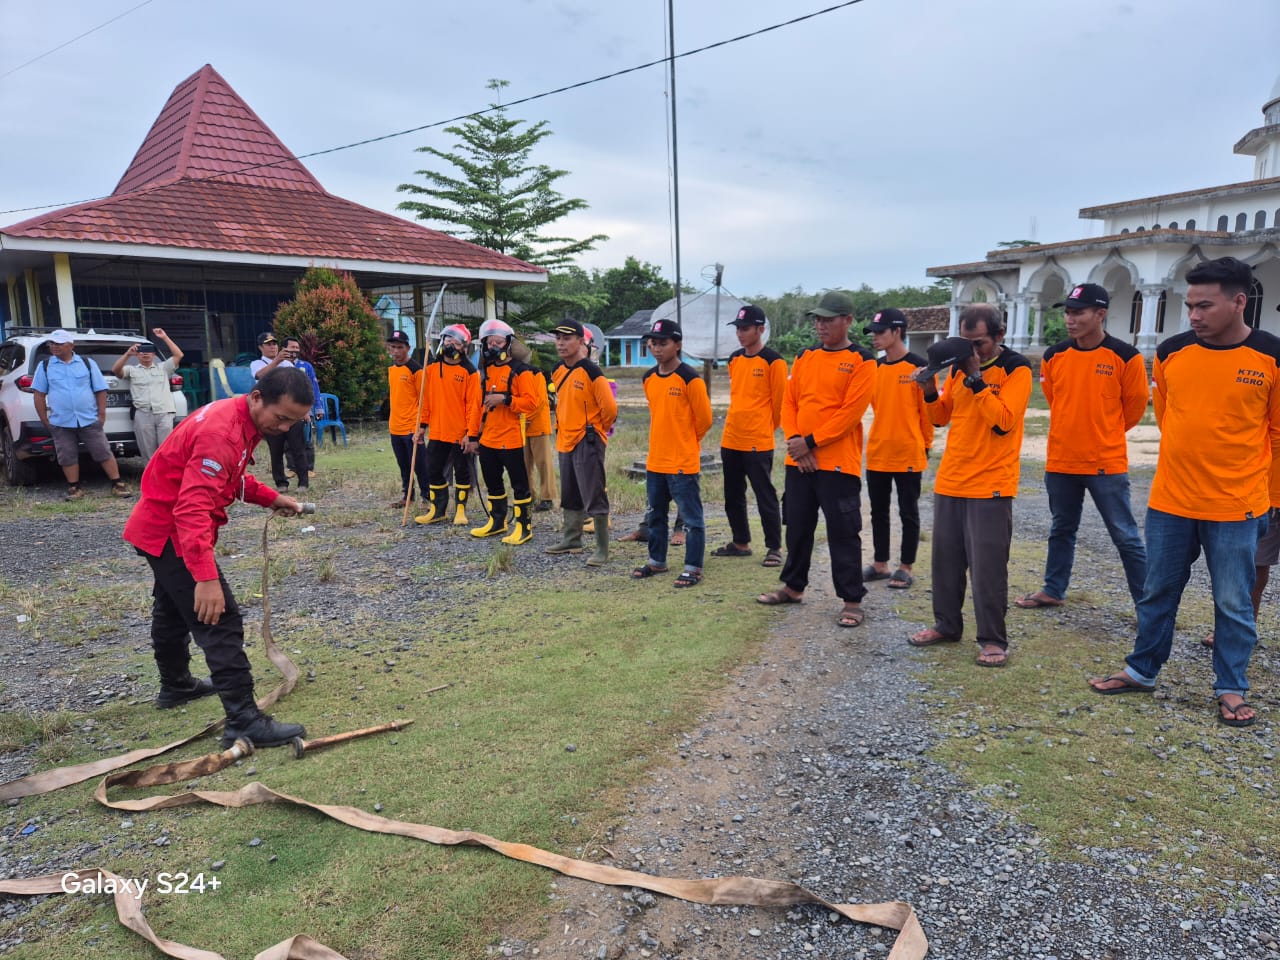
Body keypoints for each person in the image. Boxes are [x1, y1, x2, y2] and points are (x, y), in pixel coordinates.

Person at [1090, 257, 1280, 728]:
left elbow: (1276, 435)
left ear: (1239, 302)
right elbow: (1171, 418)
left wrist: (1271, 499)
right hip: (1171, 502)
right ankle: (1142, 669)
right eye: (1189, 304)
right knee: (1158, 591)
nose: (1193, 315)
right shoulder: (1172, 353)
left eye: (1204, 305)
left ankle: (1231, 687)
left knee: (1233, 602)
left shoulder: (1272, 357)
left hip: (1237, 506)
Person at [122, 367, 310, 747]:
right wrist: (205, 578)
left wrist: (271, 497)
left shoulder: (237, 417)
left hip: (156, 528)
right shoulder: (220, 432)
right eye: (282, 417)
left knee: (172, 610)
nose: (286, 427)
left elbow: (231, 475)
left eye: (295, 421)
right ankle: (243, 720)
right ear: (257, 397)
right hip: (170, 532)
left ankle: (176, 686)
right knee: (219, 618)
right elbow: (191, 509)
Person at [909, 304, 1032, 666]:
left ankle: (993, 639)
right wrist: (930, 390)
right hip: (952, 478)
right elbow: (941, 417)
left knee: (988, 568)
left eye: (979, 343)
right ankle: (946, 625)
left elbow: (1004, 422)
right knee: (945, 563)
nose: (972, 352)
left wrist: (977, 379)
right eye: (967, 343)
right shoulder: (958, 368)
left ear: (999, 335)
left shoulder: (1016, 369)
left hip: (991, 483)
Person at [1015, 283, 1148, 610]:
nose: (1070, 320)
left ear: (1100, 314)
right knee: (1061, 529)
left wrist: (1103, 432)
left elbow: (1134, 408)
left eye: (1079, 313)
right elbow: (1055, 400)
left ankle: (1149, 607)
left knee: (1126, 537)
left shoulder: (1126, 357)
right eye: (1068, 312)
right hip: (1061, 461)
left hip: (1106, 464)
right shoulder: (1054, 356)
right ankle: (1053, 589)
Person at [755, 291, 875, 627]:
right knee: (797, 529)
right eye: (817, 319)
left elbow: (850, 413)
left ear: (848, 320)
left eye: (828, 319)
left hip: (837, 464)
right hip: (799, 462)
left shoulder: (863, 361)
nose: (820, 325)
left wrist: (810, 443)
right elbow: (789, 402)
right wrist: (795, 442)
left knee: (843, 532)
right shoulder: (805, 356)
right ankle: (793, 587)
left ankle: (852, 600)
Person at [632, 319, 713, 587]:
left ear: (677, 345)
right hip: (656, 461)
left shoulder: (690, 379)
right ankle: (657, 561)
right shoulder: (649, 378)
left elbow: (704, 420)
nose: (656, 348)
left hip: (682, 462)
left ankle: (693, 567)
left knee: (691, 518)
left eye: (663, 343)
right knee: (655, 515)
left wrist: (686, 442)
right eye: (653, 343)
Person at [712, 304, 786, 568]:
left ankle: (774, 547)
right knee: (733, 494)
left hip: (758, 440)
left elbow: (779, 405)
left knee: (764, 494)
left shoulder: (773, 361)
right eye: (738, 329)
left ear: (760, 329)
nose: (740, 334)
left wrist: (764, 427)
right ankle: (740, 542)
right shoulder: (734, 359)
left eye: (745, 329)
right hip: (731, 437)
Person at [863, 308, 933, 589]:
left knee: (908, 512)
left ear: (898, 332)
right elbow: (876, 407)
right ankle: (880, 563)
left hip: (908, 451)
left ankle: (906, 566)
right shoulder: (874, 369)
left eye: (881, 332)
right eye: (873, 333)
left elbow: (926, 412)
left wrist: (925, 445)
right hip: (879, 451)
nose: (875, 338)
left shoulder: (919, 368)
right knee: (878, 511)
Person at [545, 319, 618, 566]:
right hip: (564, 439)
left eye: (567, 338)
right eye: (558, 339)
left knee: (594, 492)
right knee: (570, 492)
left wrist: (596, 431)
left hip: (587, 440)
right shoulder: (558, 370)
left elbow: (610, 409)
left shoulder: (592, 371)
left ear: (580, 341)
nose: (561, 343)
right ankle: (571, 539)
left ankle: (601, 548)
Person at [31, 328, 131, 501]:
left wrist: (101, 414)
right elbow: (39, 394)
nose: (54, 347)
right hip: (61, 421)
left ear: (70, 345)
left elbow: (100, 389)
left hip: (88, 418)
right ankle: (74, 487)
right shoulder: (45, 366)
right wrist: (44, 420)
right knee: (67, 455)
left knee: (103, 452)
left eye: (59, 343)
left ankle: (117, 483)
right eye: (52, 343)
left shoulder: (87, 363)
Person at [471, 319, 538, 544]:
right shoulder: (486, 371)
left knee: (520, 485)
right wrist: (473, 435)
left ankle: (523, 527)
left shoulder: (522, 371)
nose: (494, 346)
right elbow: (477, 406)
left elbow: (531, 403)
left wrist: (506, 399)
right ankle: (497, 522)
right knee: (492, 482)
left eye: (498, 341)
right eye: (490, 342)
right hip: (488, 438)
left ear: (508, 344)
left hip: (512, 439)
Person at [413, 324, 481, 526]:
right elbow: (426, 401)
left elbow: (474, 406)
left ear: (464, 347)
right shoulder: (432, 368)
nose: (451, 344)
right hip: (437, 431)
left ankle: (460, 510)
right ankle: (438, 509)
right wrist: (422, 425)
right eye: (448, 340)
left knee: (462, 472)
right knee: (432, 469)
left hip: (460, 433)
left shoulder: (470, 372)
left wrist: (471, 433)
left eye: (456, 342)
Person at [111, 327, 184, 462]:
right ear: (137, 355)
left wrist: (164, 337)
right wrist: (127, 354)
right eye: (142, 352)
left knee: (166, 449)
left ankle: (166, 479)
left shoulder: (163, 368)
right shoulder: (131, 370)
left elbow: (178, 355)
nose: (145, 354)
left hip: (164, 412)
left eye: (149, 352)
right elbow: (116, 370)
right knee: (147, 450)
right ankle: (151, 479)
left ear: (153, 355)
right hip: (143, 413)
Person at [250, 332, 308, 491]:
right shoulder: (257, 363)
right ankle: (281, 482)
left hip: (290, 414)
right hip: (271, 414)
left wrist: (305, 410)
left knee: (298, 448)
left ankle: (303, 481)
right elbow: (259, 376)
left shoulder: (288, 365)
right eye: (268, 344)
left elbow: (298, 387)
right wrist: (277, 361)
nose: (273, 347)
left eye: (274, 343)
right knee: (276, 450)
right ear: (260, 347)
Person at [385, 330, 429, 509]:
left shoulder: (416, 370)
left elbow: (425, 400)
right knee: (403, 465)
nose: (395, 351)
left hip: (412, 427)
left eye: (399, 347)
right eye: (392, 347)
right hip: (395, 426)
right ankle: (407, 496)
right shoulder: (392, 369)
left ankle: (427, 496)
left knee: (419, 465)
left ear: (407, 348)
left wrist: (422, 426)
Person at [283, 336, 323, 482]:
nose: (295, 351)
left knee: (306, 439)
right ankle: (292, 468)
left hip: (305, 408)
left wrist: (318, 407)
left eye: (297, 348)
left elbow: (314, 387)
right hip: (286, 410)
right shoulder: (280, 366)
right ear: (284, 349)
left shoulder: (306, 366)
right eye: (292, 347)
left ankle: (309, 468)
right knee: (288, 440)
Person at [523, 363, 557, 512]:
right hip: (521, 427)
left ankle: (547, 498)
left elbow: (540, 401)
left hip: (538, 426)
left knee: (543, 463)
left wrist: (526, 418)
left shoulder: (536, 375)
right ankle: (528, 495)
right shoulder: (514, 375)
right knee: (523, 464)